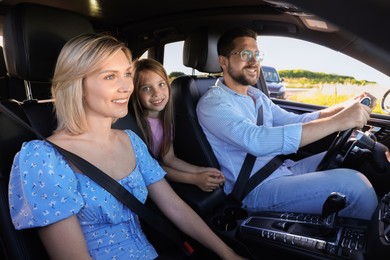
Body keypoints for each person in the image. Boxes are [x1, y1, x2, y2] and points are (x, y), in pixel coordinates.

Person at [8, 33, 246, 260]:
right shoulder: (42, 158)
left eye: (127, 74)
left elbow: (175, 207)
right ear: (76, 84)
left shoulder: (130, 140)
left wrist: (227, 254)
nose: (126, 87)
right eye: (110, 76)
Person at [196, 27, 379, 221]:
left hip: (282, 169)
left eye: (257, 54)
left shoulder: (255, 95)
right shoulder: (213, 103)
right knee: (355, 187)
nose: (254, 61)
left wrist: (345, 106)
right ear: (223, 61)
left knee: (356, 155)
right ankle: (374, 248)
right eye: (245, 54)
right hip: (255, 188)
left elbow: (297, 121)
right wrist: (338, 122)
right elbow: (256, 141)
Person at [131, 58, 225, 192]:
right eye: (146, 88)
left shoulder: (166, 120)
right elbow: (152, 168)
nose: (157, 93)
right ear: (135, 93)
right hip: (144, 183)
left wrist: (200, 170)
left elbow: (169, 159)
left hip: (158, 175)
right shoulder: (134, 127)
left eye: (161, 84)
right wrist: (195, 179)